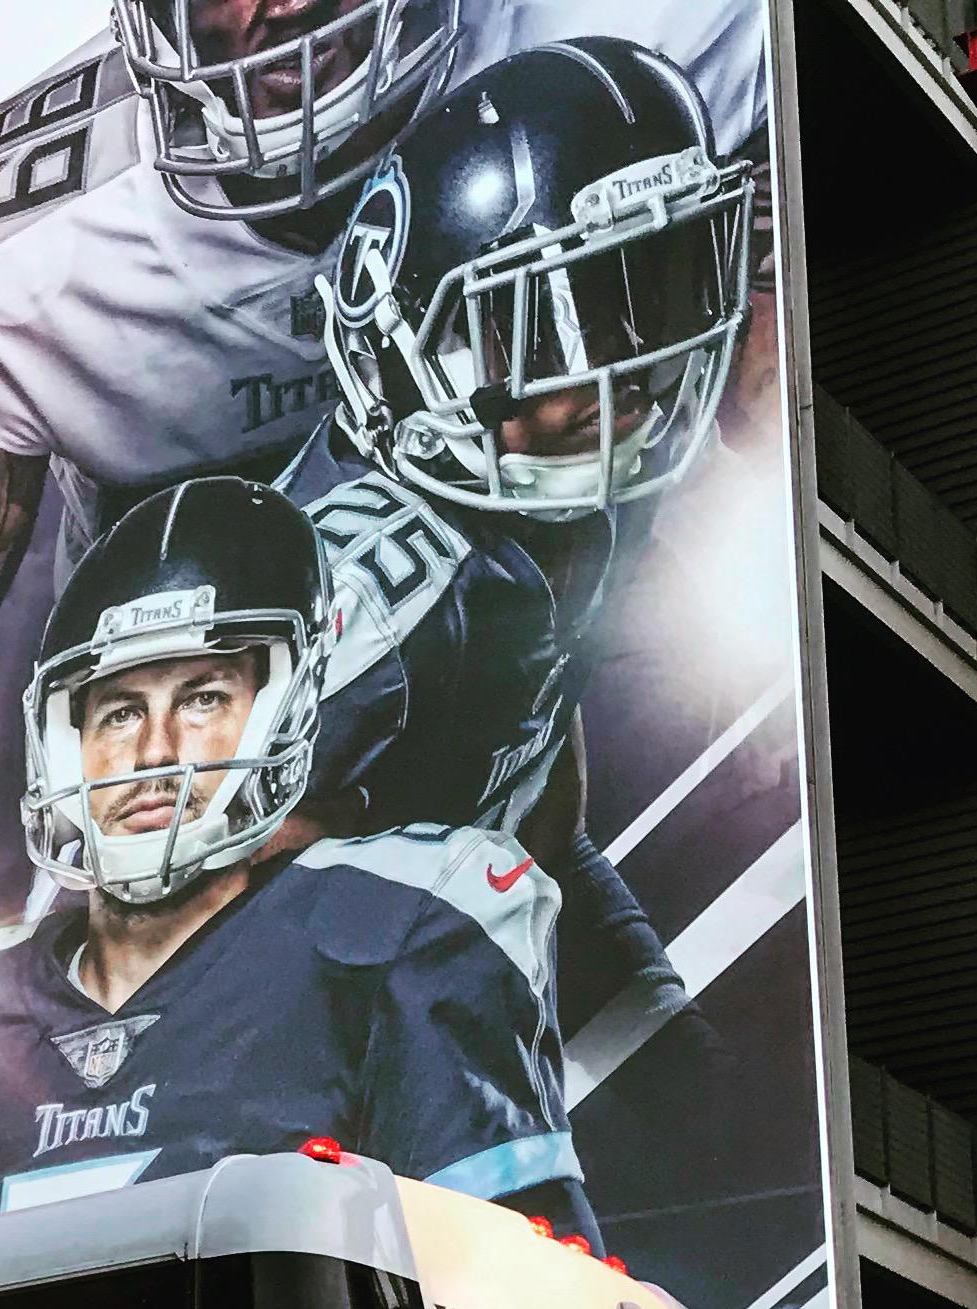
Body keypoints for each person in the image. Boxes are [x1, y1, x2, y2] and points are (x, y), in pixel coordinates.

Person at [0, 0, 769, 917]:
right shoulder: (16, 268)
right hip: (218, 674)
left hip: (534, 564)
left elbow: (755, 364)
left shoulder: (641, 35)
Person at [0, 477, 598, 1239]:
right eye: (119, 711)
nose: (154, 751)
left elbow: (508, 1308)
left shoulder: (404, 921)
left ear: (284, 708)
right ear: (64, 742)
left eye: (203, 698)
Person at [286, 34, 764, 1056]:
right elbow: (198, 891)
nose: (626, 374)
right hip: (317, 978)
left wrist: (534, 904)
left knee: (697, 1106)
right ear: (420, 349)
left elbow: (540, 717)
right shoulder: (360, 595)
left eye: (651, 286)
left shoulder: (592, 479)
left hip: (501, 871)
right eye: (562, 321)